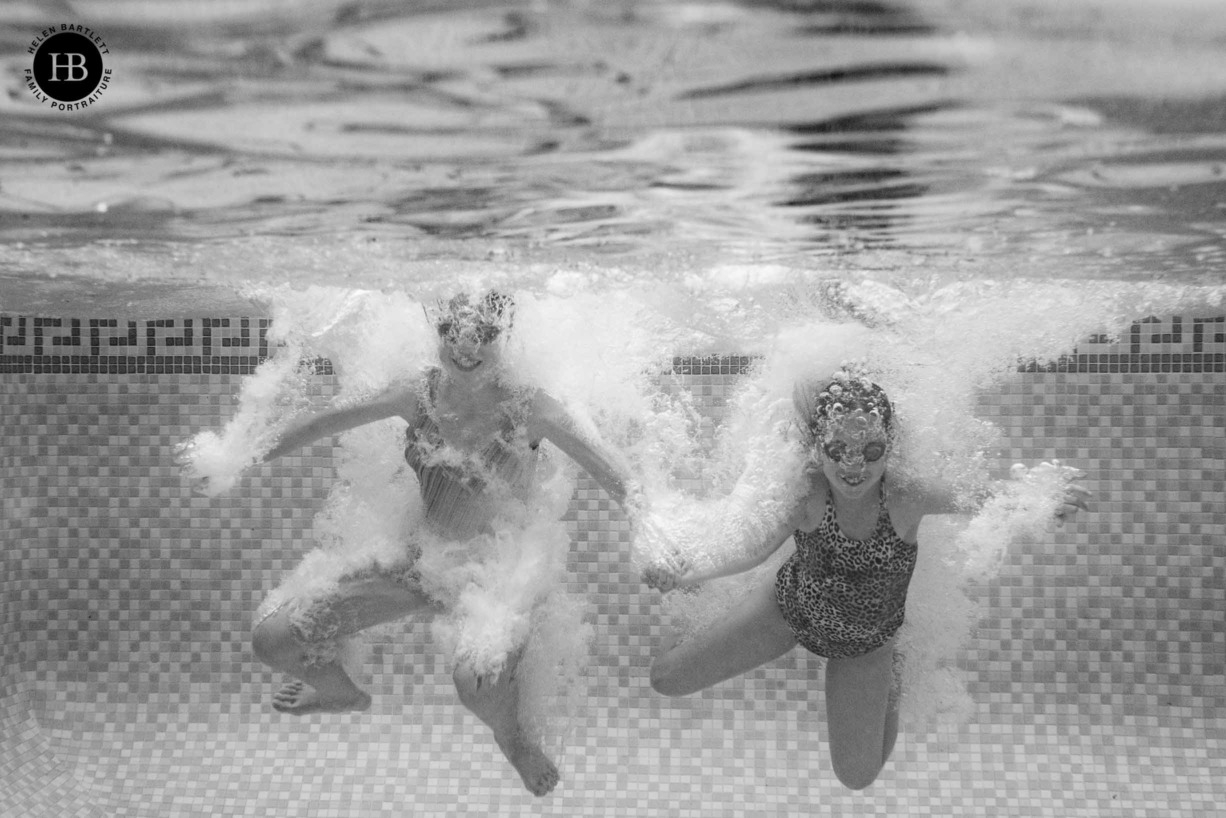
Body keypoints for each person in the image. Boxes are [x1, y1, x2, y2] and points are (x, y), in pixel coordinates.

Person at [199, 291, 643, 797]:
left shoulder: (529, 409)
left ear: (506, 338)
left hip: (497, 572)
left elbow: (614, 474)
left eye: (485, 334)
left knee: (475, 682)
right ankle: (341, 693)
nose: (466, 346)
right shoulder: (418, 395)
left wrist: (659, 537)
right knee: (274, 639)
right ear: (440, 331)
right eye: (453, 330)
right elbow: (322, 423)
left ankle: (513, 736)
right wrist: (239, 457)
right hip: (425, 562)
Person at [642, 366, 1090, 790]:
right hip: (789, 609)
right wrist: (689, 572)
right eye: (838, 450)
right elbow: (752, 549)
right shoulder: (809, 491)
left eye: (870, 450)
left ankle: (892, 665)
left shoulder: (903, 497)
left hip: (865, 644)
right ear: (819, 447)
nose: (854, 466)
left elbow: (984, 497)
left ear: (888, 447)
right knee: (665, 679)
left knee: (858, 776)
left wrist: (1042, 496)